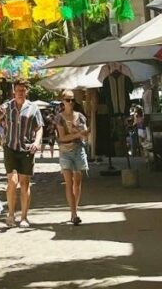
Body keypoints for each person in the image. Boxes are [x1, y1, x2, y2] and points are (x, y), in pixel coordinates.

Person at [0, 79, 43, 228]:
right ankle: (11, 214)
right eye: (18, 90)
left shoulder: (33, 108)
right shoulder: (7, 107)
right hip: (10, 148)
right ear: (14, 91)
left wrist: (37, 142)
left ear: (27, 91)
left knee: (25, 183)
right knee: (12, 181)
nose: (20, 93)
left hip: (26, 148)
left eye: (23, 90)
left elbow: (39, 127)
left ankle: (24, 217)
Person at [55, 89, 90, 225]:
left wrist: (82, 132)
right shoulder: (59, 117)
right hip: (65, 151)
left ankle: (75, 209)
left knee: (78, 182)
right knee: (68, 183)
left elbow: (85, 134)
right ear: (62, 101)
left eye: (72, 100)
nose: (70, 102)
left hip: (78, 150)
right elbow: (62, 137)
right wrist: (77, 134)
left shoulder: (80, 116)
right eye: (68, 100)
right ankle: (73, 213)